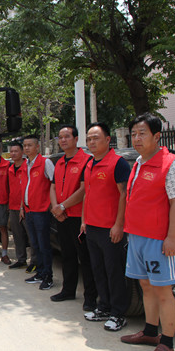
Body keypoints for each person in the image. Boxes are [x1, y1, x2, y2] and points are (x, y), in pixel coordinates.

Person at [120, 113, 175, 351]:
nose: (136, 138)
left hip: (158, 240)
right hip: (137, 236)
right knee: (146, 286)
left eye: (142, 133)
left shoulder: (170, 164)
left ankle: (167, 343)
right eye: (133, 134)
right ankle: (150, 332)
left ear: (157, 136)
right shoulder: (138, 162)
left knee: (163, 291)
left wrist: (172, 238)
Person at [81, 122, 131, 331]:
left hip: (110, 229)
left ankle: (118, 313)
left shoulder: (118, 164)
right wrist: (84, 221)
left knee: (114, 272)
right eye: (89, 139)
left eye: (96, 138)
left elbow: (124, 195)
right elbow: (87, 194)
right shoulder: (89, 163)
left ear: (108, 140)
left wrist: (119, 225)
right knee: (98, 270)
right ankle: (104, 307)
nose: (91, 142)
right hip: (92, 227)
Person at [49, 125, 98, 310]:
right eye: (60, 137)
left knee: (85, 258)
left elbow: (84, 189)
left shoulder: (86, 161)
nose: (63, 140)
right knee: (67, 254)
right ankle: (68, 290)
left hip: (79, 218)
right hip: (61, 217)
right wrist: (56, 208)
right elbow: (53, 187)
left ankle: (90, 297)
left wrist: (62, 206)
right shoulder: (60, 162)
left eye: (67, 136)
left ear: (76, 139)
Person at [20, 135, 55, 290]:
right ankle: (40, 273)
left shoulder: (45, 163)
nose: (27, 148)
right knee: (35, 244)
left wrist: (51, 205)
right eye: (25, 145)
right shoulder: (26, 164)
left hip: (41, 211)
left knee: (44, 245)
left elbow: (54, 184)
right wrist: (22, 207)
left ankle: (48, 276)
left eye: (30, 145)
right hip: (29, 211)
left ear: (37, 147)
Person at [6, 141, 33, 270]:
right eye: (11, 151)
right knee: (17, 236)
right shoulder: (10, 169)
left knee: (31, 236)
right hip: (13, 207)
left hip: (26, 207)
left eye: (16, 151)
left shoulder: (28, 167)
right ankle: (21, 259)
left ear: (22, 152)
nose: (13, 154)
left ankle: (35, 262)